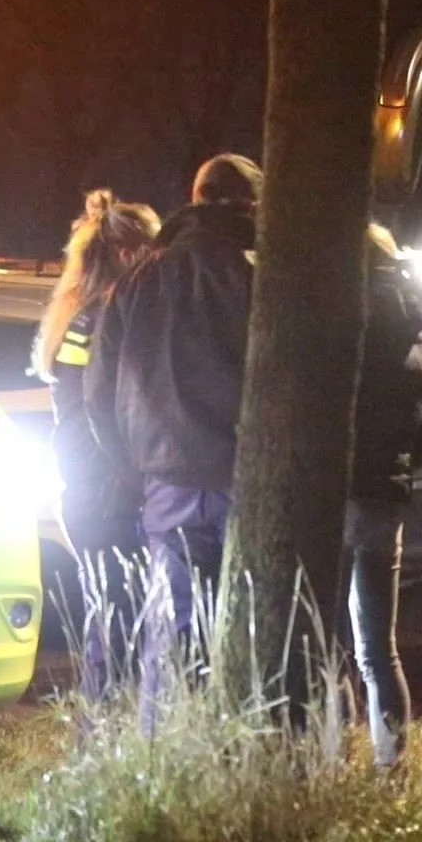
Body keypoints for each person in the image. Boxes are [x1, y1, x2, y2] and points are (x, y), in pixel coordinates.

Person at [86, 154, 260, 708]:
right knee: (247, 626)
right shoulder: (259, 273)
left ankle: (165, 753)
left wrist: (128, 463)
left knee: (173, 627)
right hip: (243, 474)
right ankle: (237, 753)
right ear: (253, 205)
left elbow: (99, 390)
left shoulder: (140, 277)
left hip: (165, 479)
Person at [33, 190, 159, 698]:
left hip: (89, 488)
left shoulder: (82, 315)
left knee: (111, 616)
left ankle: (104, 732)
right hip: (105, 489)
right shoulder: (104, 318)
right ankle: (106, 734)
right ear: (130, 255)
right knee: (117, 620)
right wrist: (127, 472)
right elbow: (98, 406)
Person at [345, 225, 422, 769]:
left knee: (318, 641)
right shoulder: (418, 337)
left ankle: (321, 761)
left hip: (334, 496)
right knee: (377, 648)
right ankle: (392, 764)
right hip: (385, 499)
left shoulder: (340, 326)